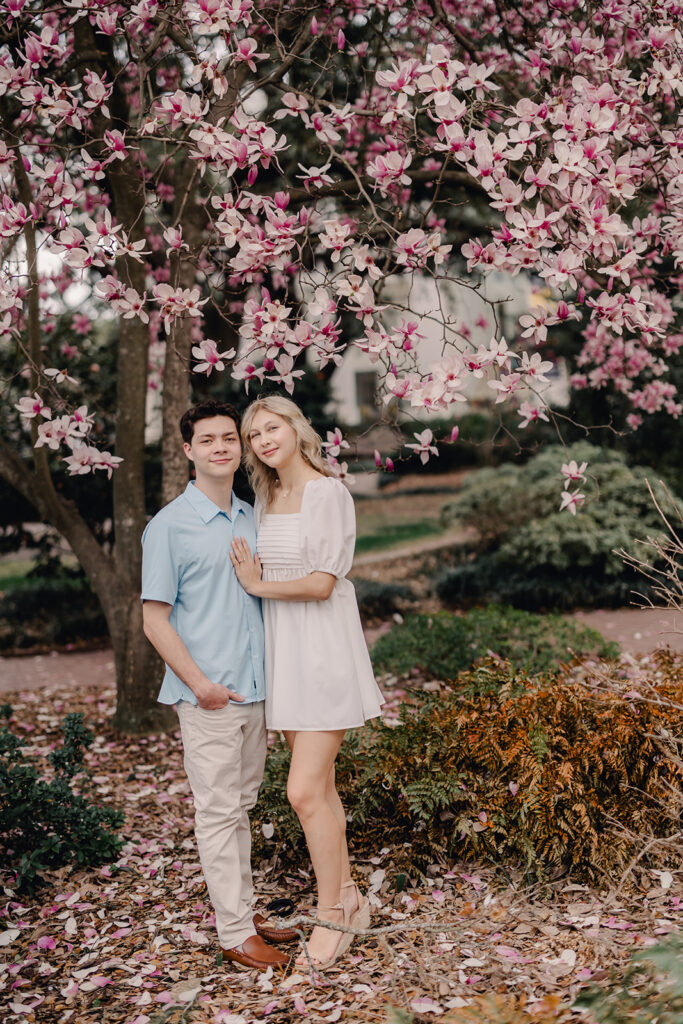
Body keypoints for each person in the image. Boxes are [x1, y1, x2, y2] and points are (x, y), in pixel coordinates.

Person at [140, 399, 297, 972]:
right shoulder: (168, 527)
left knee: (243, 806)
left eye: (229, 438)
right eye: (207, 440)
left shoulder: (250, 515)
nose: (221, 448)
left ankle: (242, 910)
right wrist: (201, 685)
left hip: (257, 691)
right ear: (188, 451)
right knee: (218, 812)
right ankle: (233, 932)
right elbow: (153, 618)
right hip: (209, 697)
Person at [229, 395, 385, 970]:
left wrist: (256, 585)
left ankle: (333, 913)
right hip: (286, 656)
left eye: (272, 428)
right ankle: (350, 899)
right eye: (254, 435)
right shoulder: (268, 496)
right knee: (320, 792)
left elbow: (321, 583)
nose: (263, 440)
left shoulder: (327, 492)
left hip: (322, 656)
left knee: (301, 790)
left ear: (296, 429)